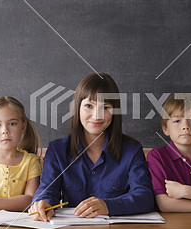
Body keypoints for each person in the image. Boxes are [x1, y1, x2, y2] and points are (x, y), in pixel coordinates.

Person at [29, 73, 154, 221]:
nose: (96, 116)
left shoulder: (132, 151)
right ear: (77, 108)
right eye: (89, 106)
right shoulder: (57, 150)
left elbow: (145, 197)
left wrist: (108, 206)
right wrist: (43, 203)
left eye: (105, 107)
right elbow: (47, 189)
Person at [0, 96, 42, 212]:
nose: (5, 130)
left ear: (23, 127)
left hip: (20, 227)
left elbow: (30, 201)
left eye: (12, 124)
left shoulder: (31, 161)